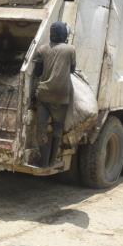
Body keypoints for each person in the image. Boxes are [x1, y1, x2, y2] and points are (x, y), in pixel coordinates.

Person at [31, 21, 76, 167]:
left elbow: (37, 72)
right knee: (58, 126)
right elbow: (72, 70)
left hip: (44, 95)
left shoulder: (42, 50)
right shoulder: (70, 49)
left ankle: (43, 162)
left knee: (41, 127)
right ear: (64, 34)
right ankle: (52, 160)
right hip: (61, 96)